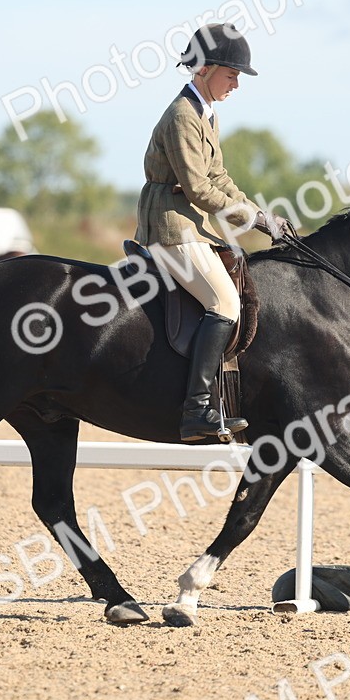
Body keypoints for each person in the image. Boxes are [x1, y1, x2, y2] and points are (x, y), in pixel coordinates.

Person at [135, 22, 287, 442]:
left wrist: (263, 215)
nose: (236, 83)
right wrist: (254, 221)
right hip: (170, 227)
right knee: (224, 303)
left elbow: (217, 175)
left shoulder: (206, 113)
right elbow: (200, 188)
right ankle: (197, 408)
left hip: (191, 225)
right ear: (203, 68)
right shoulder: (183, 115)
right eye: (232, 74)